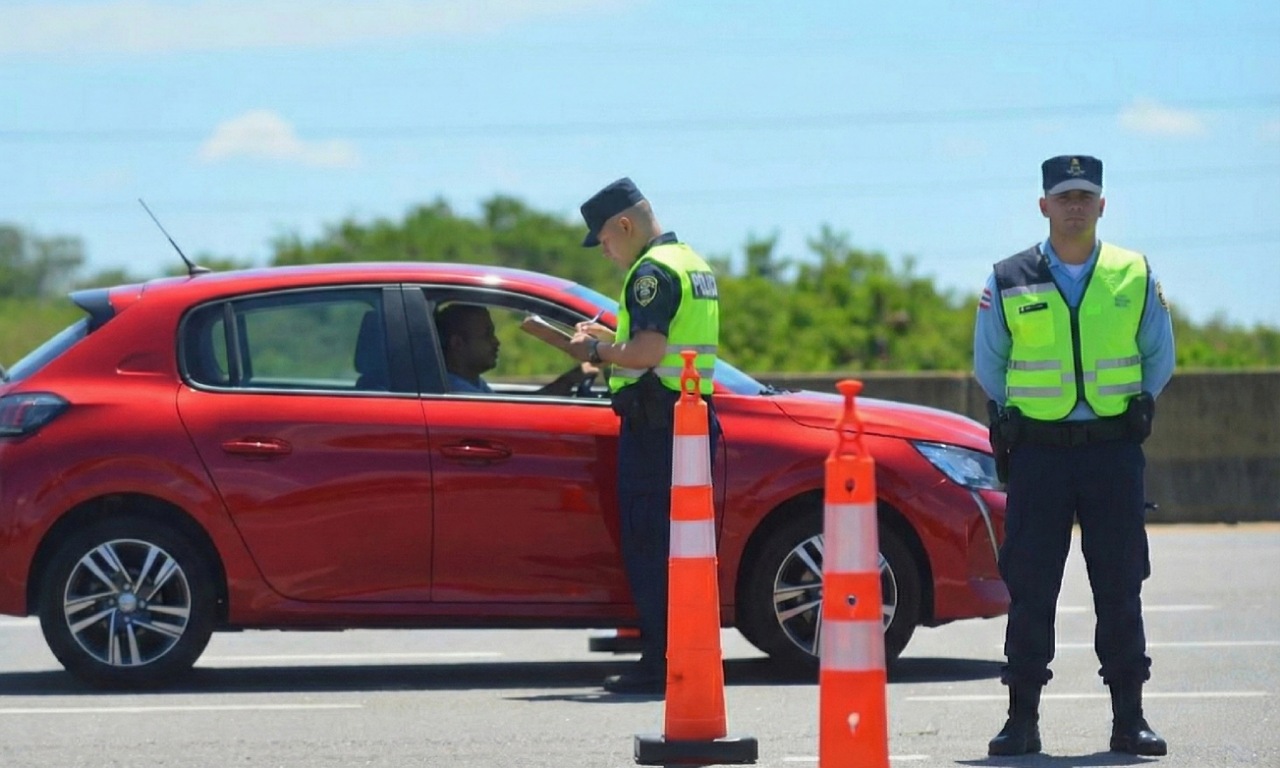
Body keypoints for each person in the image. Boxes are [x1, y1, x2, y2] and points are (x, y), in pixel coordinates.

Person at [973, 155, 1175, 757]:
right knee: (1031, 587)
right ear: (1044, 205)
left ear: (1103, 203)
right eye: (1064, 196)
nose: (1075, 204)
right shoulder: (1007, 277)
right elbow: (991, 363)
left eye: (1086, 194)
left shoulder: (1132, 272)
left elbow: (1158, 353)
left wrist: (1141, 401)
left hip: (1112, 452)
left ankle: (1129, 718)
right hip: (1039, 455)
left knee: (1119, 585)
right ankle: (1022, 720)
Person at [564, 177, 721, 695]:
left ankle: (660, 660)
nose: (606, 252)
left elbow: (650, 353)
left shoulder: (649, 273)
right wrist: (613, 341)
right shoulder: (690, 262)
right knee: (685, 550)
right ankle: (681, 653)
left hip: (658, 428)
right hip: (691, 419)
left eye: (605, 241)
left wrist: (595, 352)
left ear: (625, 225)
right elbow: (665, 344)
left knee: (651, 545)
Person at [435, 303, 593, 395]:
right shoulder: (458, 393)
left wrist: (573, 378)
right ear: (457, 344)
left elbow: (525, 408)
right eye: (486, 335)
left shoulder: (469, 383)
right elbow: (521, 417)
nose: (496, 342)